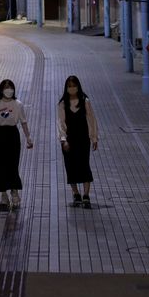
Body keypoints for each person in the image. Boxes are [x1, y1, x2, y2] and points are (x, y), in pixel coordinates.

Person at [0, 78, 33, 211]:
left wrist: (28, 137)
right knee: (1, 166)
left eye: (10, 87)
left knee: (13, 165)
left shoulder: (18, 104)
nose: (9, 90)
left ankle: (14, 191)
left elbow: (23, 122)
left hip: (13, 135)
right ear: (1, 90)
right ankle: (3, 195)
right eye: (6, 88)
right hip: (0, 135)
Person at [56, 75, 99, 208]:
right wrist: (63, 140)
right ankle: (76, 194)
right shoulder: (63, 104)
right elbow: (61, 123)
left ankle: (86, 195)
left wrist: (94, 138)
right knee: (70, 166)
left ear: (78, 86)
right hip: (69, 140)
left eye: (74, 86)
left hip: (83, 139)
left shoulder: (85, 101)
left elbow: (91, 120)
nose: (72, 88)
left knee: (84, 165)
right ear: (66, 88)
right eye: (69, 86)